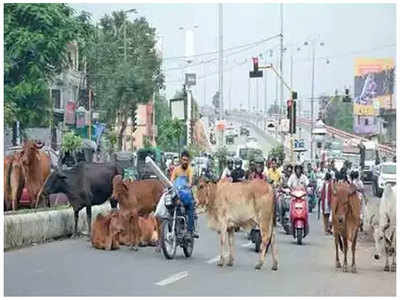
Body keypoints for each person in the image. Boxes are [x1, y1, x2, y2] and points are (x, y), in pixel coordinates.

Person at [170, 150, 199, 238]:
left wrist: (188, 185)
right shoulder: (176, 169)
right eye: (183, 159)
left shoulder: (190, 169)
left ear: (189, 161)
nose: (185, 162)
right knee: (170, 207)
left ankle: (190, 231)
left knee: (190, 207)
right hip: (177, 194)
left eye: (186, 160)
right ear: (180, 160)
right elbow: (171, 180)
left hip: (187, 194)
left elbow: (190, 181)